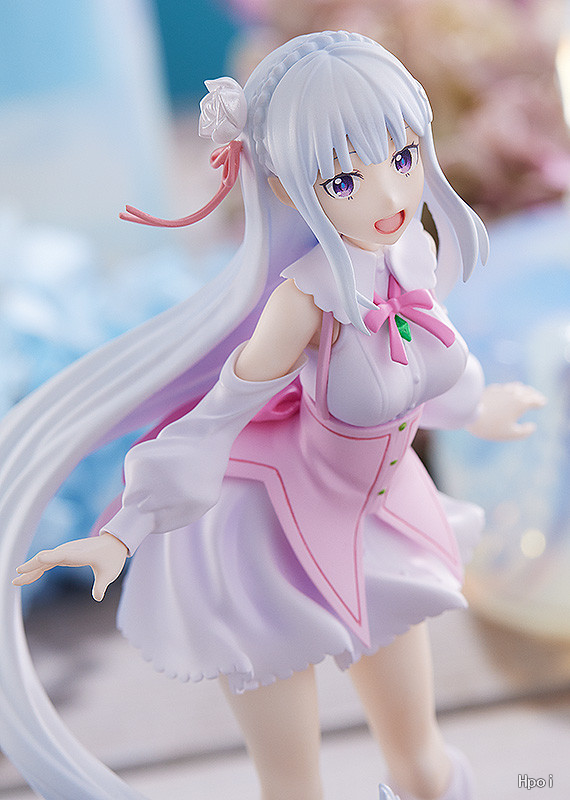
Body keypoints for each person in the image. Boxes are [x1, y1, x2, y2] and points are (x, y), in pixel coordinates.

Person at [4, 31, 543, 800]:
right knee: (294, 787)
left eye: (401, 158)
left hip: (379, 519)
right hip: (263, 538)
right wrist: (122, 532)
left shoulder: (410, 258)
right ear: (290, 189)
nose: (390, 198)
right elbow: (217, 415)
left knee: (422, 763)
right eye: (345, 180)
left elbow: (426, 368)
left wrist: (480, 408)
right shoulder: (303, 299)